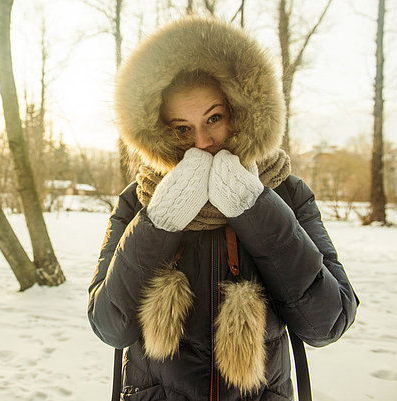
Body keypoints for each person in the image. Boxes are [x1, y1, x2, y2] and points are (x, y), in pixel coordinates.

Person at [87, 17, 358, 401]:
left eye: (214, 118)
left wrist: (255, 207)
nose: (202, 141)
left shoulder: (287, 193)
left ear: (241, 110)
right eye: (183, 128)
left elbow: (327, 322)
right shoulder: (140, 200)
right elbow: (109, 325)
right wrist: (160, 221)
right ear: (160, 129)